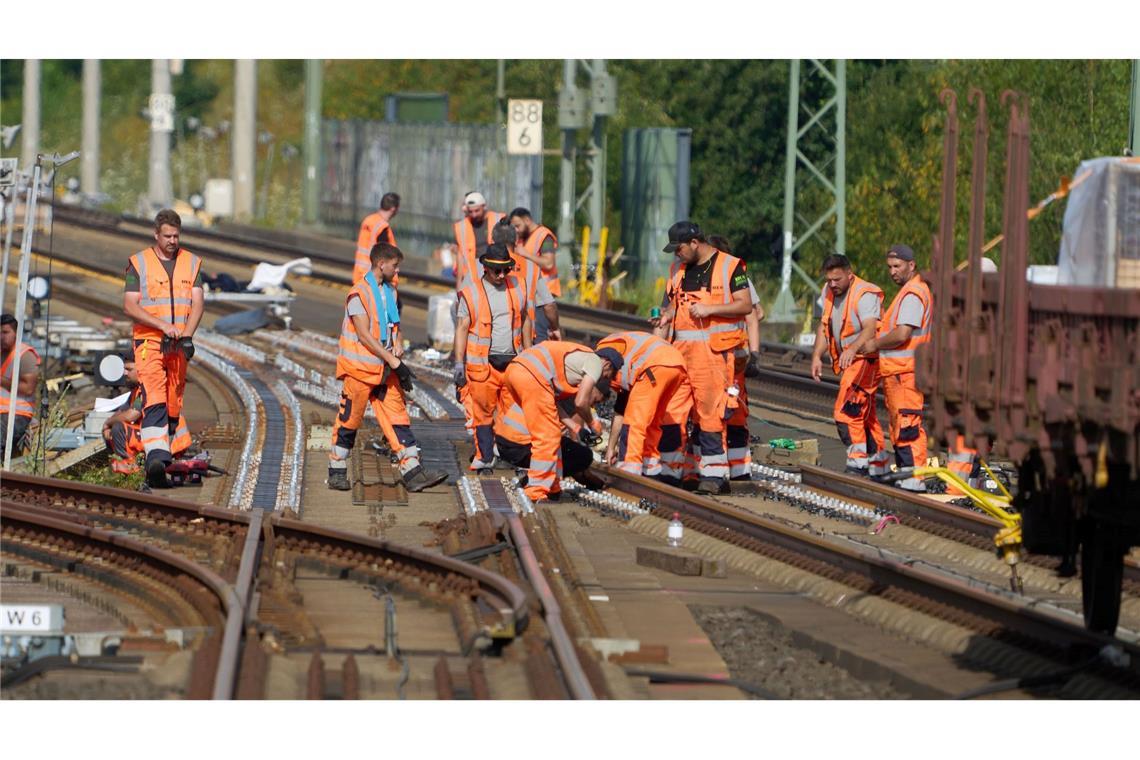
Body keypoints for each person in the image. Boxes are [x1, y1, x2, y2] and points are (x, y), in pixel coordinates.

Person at [329, 242, 447, 493]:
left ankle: (413, 472)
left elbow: (392, 326)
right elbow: (364, 335)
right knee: (349, 421)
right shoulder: (358, 294)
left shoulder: (390, 292)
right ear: (381, 264)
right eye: (395, 266)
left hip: (383, 370)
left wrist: (397, 347)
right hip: (360, 370)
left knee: (398, 418)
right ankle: (337, 469)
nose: (398, 271)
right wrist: (394, 362)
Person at [651, 222, 752, 495]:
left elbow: (745, 305)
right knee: (673, 412)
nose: (676, 255)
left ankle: (714, 476)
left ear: (695, 243)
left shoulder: (730, 266)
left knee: (710, 416)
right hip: (679, 355)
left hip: (713, 358)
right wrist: (663, 318)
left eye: (679, 248)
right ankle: (670, 472)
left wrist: (710, 309)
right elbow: (670, 306)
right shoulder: (677, 270)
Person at [122, 209, 204, 488]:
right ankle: (156, 458)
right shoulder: (138, 264)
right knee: (155, 396)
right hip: (149, 343)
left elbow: (198, 303)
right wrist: (161, 325)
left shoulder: (191, 263)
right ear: (156, 235)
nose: (172, 241)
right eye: (167, 236)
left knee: (173, 401)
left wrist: (188, 335)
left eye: (176, 236)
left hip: (178, 344)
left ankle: (166, 457)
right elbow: (130, 305)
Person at [502, 341, 617, 503]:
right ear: (607, 363)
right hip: (530, 375)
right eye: (608, 375)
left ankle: (552, 486)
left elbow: (554, 407)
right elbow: (580, 402)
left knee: (552, 434)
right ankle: (536, 491)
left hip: (515, 370)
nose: (605, 378)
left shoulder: (569, 369)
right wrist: (592, 423)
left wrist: (576, 428)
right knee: (548, 437)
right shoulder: (595, 362)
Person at [454, 244, 532, 474]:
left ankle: (508, 454)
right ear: (486, 268)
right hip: (483, 365)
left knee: (512, 414)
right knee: (483, 413)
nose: (502, 276)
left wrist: (529, 354)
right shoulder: (471, 294)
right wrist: (459, 363)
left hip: (514, 364)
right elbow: (461, 328)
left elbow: (526, 319)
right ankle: (485, 455)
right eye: (497, 271)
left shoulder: (518, 287)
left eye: (506, 270)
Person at [860, 244, 933, 492]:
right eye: (890, 267)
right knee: (900, 426)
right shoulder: (908, 291)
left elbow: (902, 333)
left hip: (906, 372)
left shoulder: (913, 293)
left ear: (911, 265)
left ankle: (914, 478)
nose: (892, 271)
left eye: (897, 266)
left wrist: (874, 344)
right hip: (898, 372)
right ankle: (907, 477)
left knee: (908, 425)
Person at [810, 253, 890, 478]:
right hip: (852, 361)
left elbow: (869, 328)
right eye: (829, 280)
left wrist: (853, 348)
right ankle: (878, 464)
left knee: (847, 412)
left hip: (866, 359)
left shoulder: (864, 294)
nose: (832, 285)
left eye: (837, 280)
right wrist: (817, 356)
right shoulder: (829, 293)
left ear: (849, 274)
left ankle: (858, 465)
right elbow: (824, 327)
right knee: (865, 414)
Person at [596, 331, 692, 485]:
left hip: (654, 367)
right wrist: (611, 448)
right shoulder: (619, 363)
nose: (608, 379)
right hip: (676, 366)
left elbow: (626, 418)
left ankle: (628, 473)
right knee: (653, 423)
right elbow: (620, 410)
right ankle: (651, 472)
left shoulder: (603, 355)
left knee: (634, 424)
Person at [494, 387, 606, 490]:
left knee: (568, 450)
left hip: (504, 442)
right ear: (592, 390)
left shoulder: (546, 389)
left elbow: (557, 410)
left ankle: (536, 479)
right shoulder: (572, 396)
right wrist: (582, 470)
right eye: (595, 401)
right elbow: (553, 442)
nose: (593, 406)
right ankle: (538, 485)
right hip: (519, 447)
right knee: (582, 455)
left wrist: (577, 429)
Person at [102, 358, 191, 475]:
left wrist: (108, 423)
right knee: (115, 425)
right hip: (155, 437)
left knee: (118, 428)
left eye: (129, 369)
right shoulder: (138, 390)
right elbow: (122, 412)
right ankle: (126, 465)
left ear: (141, 370)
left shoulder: (148, 389)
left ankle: (131, 467)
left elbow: (131, 415)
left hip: (167, 439)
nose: (124, 373)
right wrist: (107, 425)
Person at [493, 220, 562, 343]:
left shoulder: (479, 264)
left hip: (488, 336)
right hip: (523, 339)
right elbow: (549, 305)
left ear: (492, 240)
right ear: (515, 241)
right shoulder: (530, 268)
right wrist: (555, 327)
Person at [508, 208, 560, 340]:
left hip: (544, 294)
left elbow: (548, 263)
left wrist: (525, 254)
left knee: (539, 334)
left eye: (518, 225)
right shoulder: (523, 238)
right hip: (531, 292)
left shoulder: (544, 236)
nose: (516, 230)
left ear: (527, 220)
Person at [0, 313, 40, 463]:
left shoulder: (25, 355)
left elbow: (28, 388)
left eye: (5, 332)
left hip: (17, 412)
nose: (1, 337)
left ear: (16, 333)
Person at [453, 192, 503, 286]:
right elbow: (460, 255)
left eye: (477, 211)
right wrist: (459, 283)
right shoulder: (461, 227)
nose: (474, 215)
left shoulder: (499, 219)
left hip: (495, 272)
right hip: (471, 275)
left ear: (484, 207)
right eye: (470, 212)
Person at [353, 192, 400, 285]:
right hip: (375, 279)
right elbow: (385, 257)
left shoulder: (368, 220)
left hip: (360, 274)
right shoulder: (383, 228)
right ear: (393, 209)